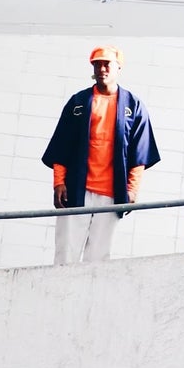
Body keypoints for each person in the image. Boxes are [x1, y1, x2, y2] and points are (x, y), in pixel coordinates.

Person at [41, 47, 160, 265]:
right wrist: (59, 181)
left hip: (111, 193)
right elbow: (62, 144)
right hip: (76, 191)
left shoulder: (133, 106)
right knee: (65, 254)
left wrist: (132, 189)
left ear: (118, 67)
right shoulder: (78, 102)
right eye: (97, 64)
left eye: (107, 64)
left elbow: (139, 153)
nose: (102, 68)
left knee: (98, 258)